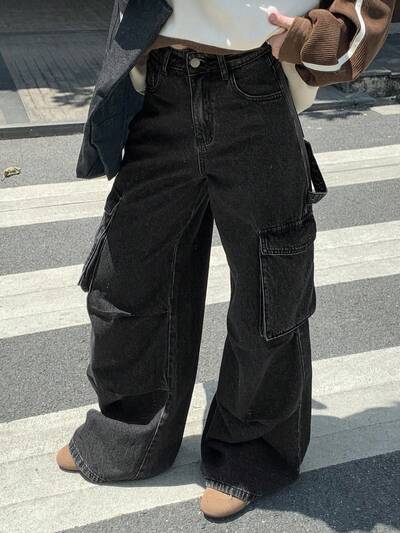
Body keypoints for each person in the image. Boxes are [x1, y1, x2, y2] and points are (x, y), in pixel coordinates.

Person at [56, 0, 395, 520]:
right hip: (162, 83)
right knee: (128, 274)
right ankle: (129, 432)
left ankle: (251, 452)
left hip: (255, 82)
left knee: (268, 287)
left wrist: (322, 36)